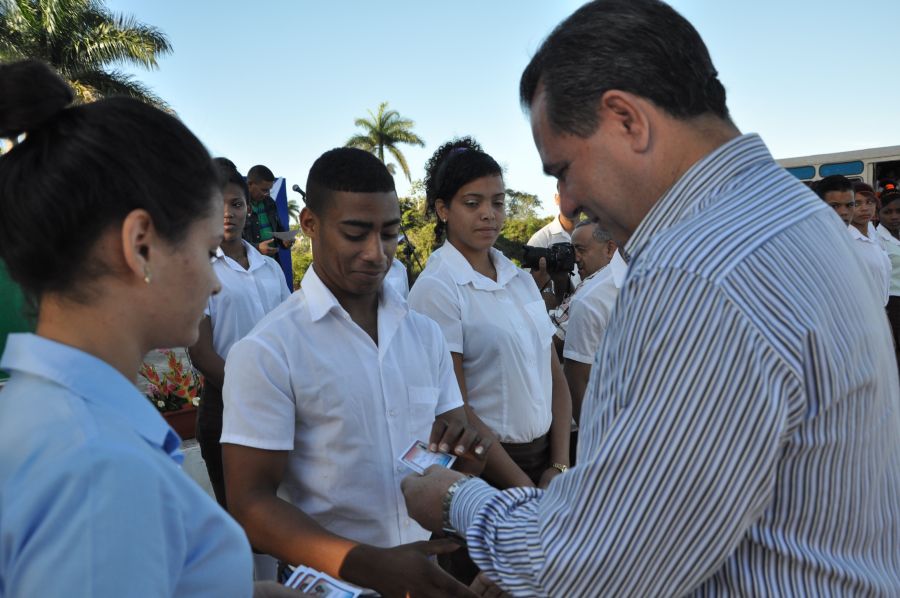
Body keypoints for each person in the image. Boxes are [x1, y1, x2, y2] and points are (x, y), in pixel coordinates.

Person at [402, 1, 900, 596]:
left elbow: (606, 566)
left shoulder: (697, 270)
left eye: (563, 169)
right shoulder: (796, 218)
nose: (572, 199)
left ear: (627, 120)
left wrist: (459, 501)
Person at [0, 59, 301, 598]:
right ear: (141, 245)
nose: (214, 282)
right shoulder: (99, 468)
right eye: (207, 251)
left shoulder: (49, 417)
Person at [220, 147, 485, 598]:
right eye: (356, 233)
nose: (375, 253)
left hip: (426, 575)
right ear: (309, 225)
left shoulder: (424, 335)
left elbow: (456, 447)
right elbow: (251, 505)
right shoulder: (268, 350)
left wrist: (469, 451)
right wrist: (370, 566)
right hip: (335, 583)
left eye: (389, 234)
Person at [408, 137, 572, 490]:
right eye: (472, 203)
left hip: (545, 465)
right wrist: (522, 486)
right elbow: (456, 407)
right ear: (443, 210)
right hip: (485, 470)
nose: (489, 213)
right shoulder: (438, 288)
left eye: (498, 203)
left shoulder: (520, 280)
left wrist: (558, 466)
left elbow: (554, 376)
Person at [187, 158, 291, 509]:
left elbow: (291, 332)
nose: (228, 213)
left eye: (236, 203)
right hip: (225, 406)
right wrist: (251, 389)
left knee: (282, 511)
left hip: (278, 403)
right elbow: (200, 354)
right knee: (241, 520)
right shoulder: (199, 271)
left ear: (249, 207)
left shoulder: (270, 269)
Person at [561, 220, 627, 421]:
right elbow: (577, 379)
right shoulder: (590, 300)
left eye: (581, 250)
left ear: (609, 248)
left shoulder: (666, 280)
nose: (575, 259)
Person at [243, 164, 292, 258]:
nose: (267, 194)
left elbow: (278, 229)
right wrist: (257, 248)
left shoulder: (270, 202)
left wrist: (284, 240)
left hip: (272, 263)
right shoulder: (238, 205)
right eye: (264, 190)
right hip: (250, 265)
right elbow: (233, 242)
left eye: (269, 190)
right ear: (250, 184)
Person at [876, 187, 900, 363]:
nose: (894, 216)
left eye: (898, 211)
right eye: (888, 212)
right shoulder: (876, 239)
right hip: (893, 303)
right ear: (878, 214)